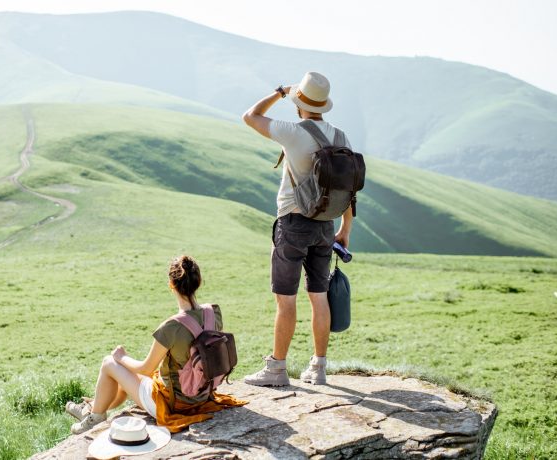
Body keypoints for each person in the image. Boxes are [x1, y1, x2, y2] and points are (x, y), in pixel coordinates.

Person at [240, 71, 353, 386]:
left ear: (299, 101)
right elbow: (348, 188)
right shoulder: (341, 137)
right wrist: (346, 228)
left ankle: (277, 369)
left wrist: (279, 91)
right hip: (326, 225)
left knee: (285, 298)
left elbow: (250, 116)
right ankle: (318, 368)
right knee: (319, 296)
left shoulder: (293, 132)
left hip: (293, 221)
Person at [65, 255, 246, 434]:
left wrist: (121, 357)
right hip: (202, 395)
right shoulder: (213, 313)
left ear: (171, 284)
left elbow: (145, 369)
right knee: (123, 374)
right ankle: (91, 410)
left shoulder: (172, 327)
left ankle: (94, 418)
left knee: (109, 363)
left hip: (172, 403)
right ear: (198, 282)